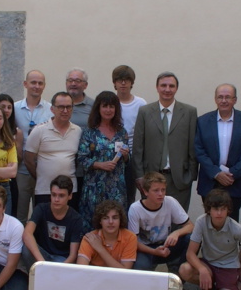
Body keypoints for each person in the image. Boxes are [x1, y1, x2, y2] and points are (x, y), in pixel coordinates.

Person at [133, 71, 198, 211]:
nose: (167, 89)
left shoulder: (189, 112)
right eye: (163, 85)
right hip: (150, 179)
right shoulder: (145, 112)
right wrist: (140, 176)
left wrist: (190, 175)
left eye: (171, 86)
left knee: (178, 219)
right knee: (152, 218)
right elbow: (138, 147)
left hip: (179, 179)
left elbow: (193, 146)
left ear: (176, 88)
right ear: (157, 87)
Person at [179, 189, 241, 290]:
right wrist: (202, 269)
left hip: (229, 267)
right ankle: (209, 288)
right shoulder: (201, 221)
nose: (219, 213)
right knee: (184, 269)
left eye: (223, 209)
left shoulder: (238, 229)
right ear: (209, 210)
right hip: (209, 264)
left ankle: (238, 287)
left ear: (228, 210)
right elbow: (190, 253)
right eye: (215, 209)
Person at [195, 83, 241, 221]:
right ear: (215, 99)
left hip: (235, 181)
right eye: (220, 97)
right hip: (210, 180)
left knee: (232, 222)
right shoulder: (203, 121)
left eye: (228, 97)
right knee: (210, 221)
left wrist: (232, 173)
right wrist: (216, 173)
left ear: (235, 100)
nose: (224, 100)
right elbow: (199, 150)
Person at [77, 91, 130, 233]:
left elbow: (127, 161)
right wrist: (100, 165)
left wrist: (126, 155)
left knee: (115, 223)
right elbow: (81, 158)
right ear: (98, 108)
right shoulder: (89, 132)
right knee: (94, 223)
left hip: (116, 188)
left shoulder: (122, 132)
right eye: (105, 106)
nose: (108, 110)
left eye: (112, 106)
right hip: (94, 187)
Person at [128, 172, 193, 273]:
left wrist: (176, 233)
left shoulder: (170, 201)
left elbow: (190, 226)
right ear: (145, 192)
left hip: (166, 244)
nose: (161, 194)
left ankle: (179, 272)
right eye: (156, 190)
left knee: (191, 238)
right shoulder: (135, 209)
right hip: (146, 248)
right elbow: (133, 242)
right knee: (139, 267)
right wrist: (154, 252)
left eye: (163, 190)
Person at [24, 92, 82, 206]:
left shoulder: (78, 131)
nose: (65, 110)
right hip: (45, 190)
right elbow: (28, 160)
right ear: (52, 109)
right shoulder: (39, 130)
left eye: (68, 107)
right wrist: (41, 176)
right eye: (61, 107)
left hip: (70, 191)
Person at [20, 175, 83, 270]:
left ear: (70, 196)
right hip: (43, 255)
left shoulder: (76, 219)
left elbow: (73, 255)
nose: (56, 199)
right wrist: (42, 263)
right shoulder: (41, 208)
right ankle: (35, 276)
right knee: (26, 248)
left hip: (61, 259)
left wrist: (57, 270)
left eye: (61, 196)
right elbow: (27, 234)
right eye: (53, 195)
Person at [14, 70, 52, 223]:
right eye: (33, 82)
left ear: (44, 86)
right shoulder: (14, 108)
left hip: (42, 170)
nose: (36, 86)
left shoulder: (51, 110)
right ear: (25, 84)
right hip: (21, 170)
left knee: (41, 214)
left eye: (40, 83)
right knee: (19, 213)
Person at [112, 65, 147, 206]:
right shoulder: (110, 103)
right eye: (119, 80)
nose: (123, 83)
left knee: (129, 196)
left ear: (132, 82)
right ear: (114, 83)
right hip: (112, 156)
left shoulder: (140, 103)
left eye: (127, 80)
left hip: (133, 157)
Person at [76, 200, 138, 269]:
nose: (110, 222)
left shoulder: (130, 237)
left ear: (120, 220)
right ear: (100, 221)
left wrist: (100, 249)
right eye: (105, 218)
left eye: (115, 218)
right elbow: (81, 269)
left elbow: (125, 272)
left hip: (117, 276)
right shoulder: (90, 238)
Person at [66, 69, 94, 210]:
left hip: (84, 169)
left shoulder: (93, 106)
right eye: (70, 80)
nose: (73, 84)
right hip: (64, 167)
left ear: (85, 85)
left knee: (82, 207)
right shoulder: (60, 103)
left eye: (77, 81)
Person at [0, 93, 24, 217]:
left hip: (9, 179)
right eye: (3, 107)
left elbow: (20, 158)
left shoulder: (17, 132)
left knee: (9, 214)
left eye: (9, 107)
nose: (6, 110)